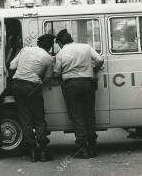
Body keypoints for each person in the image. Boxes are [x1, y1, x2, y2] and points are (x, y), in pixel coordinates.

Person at [53, 29, 104, 159]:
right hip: (88, 83)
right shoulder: (86, 47)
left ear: (60, 42)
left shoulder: (61, 53)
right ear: (71, 38)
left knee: (78, 116)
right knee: (89, 114)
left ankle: (83, 149)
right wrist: (92, 70)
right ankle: (92, 147)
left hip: (71, 86)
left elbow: (57, 73)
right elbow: (99, 59)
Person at [10, 34, 55, 162]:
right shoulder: (48, 58)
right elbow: (47, 78)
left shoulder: (25, 50)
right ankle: (43, 151)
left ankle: (32, 152)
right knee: (39, 118)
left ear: (38, 43)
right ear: (50, 46)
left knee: (25, 119)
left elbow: (12, 66)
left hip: (17, 85)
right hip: (33, 87)